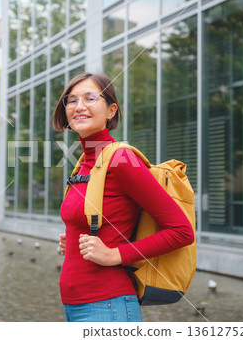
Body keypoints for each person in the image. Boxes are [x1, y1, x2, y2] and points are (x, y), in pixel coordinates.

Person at [53, 72, 194, 322]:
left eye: (90, 97)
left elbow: (181, 231)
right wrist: (73, 239)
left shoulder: (122, 160)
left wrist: (113, 255)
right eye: (71, 100)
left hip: (107, 306)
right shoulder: (85, 164)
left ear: (111, 110)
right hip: (76, 305)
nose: (79, 106)